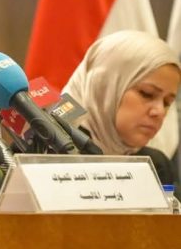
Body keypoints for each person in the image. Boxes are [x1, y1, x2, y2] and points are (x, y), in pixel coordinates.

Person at [63, 30, 181, 182]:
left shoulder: (156, 166)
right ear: (104, 86)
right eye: (147, 93)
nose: (159, 111)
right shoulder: (47, 152)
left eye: (167, 102)